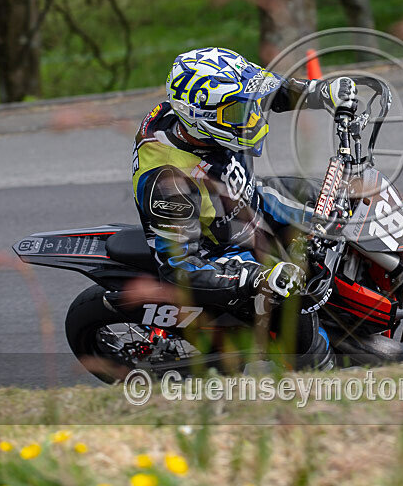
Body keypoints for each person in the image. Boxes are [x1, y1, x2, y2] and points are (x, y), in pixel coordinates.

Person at [132, 47, 357, 370]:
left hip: (249, 201)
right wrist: (257, 277)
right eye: (240, 112)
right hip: (221, 251)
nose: (253, 117)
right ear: (200, 118)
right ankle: (321, 374)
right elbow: (180, 268)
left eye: (248, 107)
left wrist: (318, 92)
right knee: (295, 312)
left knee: (337, 205)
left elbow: (263, 89)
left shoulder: (196, 111)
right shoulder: (168, 184)